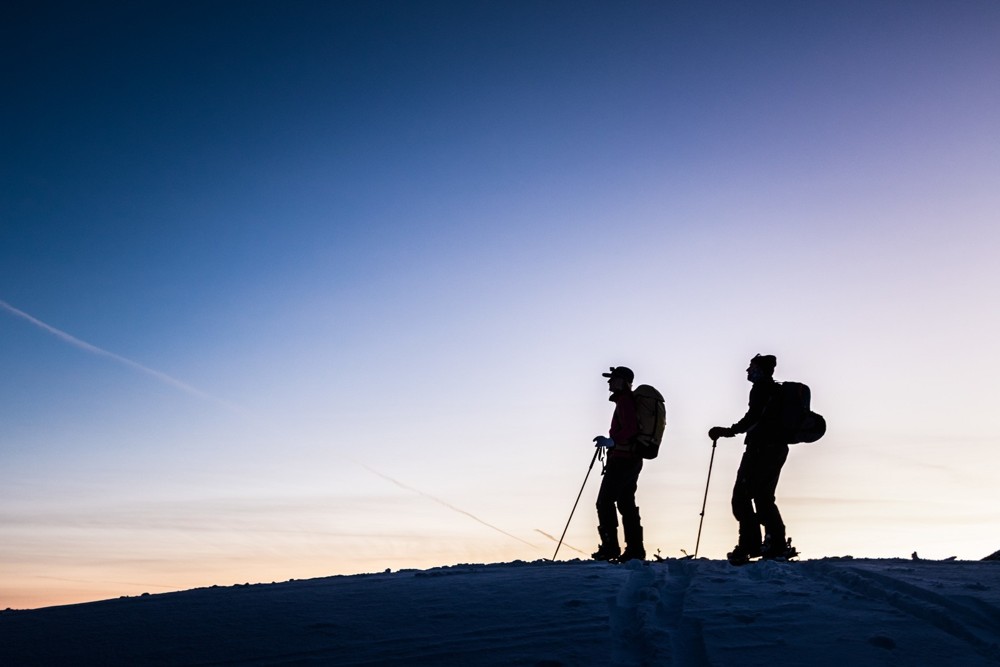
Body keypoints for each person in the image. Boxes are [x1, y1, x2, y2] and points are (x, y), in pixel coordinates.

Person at [709, 354, 792, 565]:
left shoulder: (761, 389)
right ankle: (775, 543)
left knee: (742, 497)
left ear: (760, 371)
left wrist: (729, 431)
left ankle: (750, 544)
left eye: (751, 368)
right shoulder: (776, 391)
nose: (747, 371)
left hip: (760, 449)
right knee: (764, 497)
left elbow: (753, 417)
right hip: (777, 448)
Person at [592, 366, 645, 562]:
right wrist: (611, 441)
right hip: (631, 459)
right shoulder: (626, 400)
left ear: (623, 381)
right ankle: (635, 550)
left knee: (604, 502)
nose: (609, 382)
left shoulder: (625, 400)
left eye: (613, 379)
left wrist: (612, 442)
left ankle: (611, 548)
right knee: (626, 503)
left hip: (622, 460)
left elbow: (630, 428)